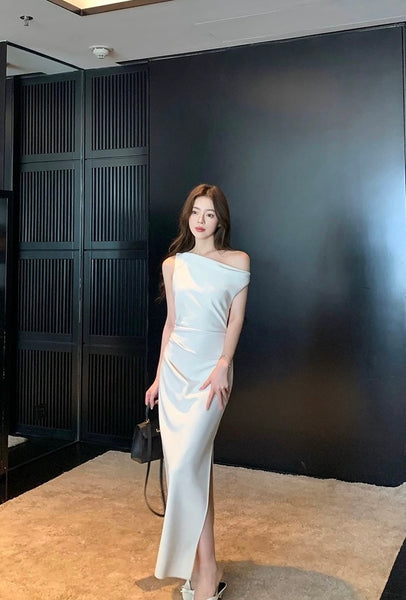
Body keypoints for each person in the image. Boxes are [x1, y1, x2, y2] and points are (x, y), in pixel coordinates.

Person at [145, 183, 250, 600]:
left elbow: (235, 320)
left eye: (209, 213)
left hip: (212, 373)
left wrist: (224, 364)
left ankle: (203, 568)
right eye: (195, 212)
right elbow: (171, 324)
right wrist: (158, 378)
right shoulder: (174, 265)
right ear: (187, 216)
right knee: (189, 471)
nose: (201, 220)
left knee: (188, 466)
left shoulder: (238, 261)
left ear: (220, 220)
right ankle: (207, 569)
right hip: (175, 372)